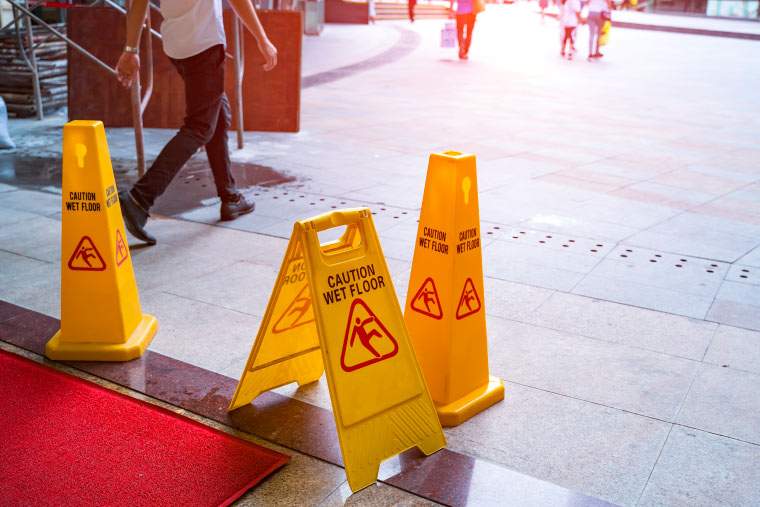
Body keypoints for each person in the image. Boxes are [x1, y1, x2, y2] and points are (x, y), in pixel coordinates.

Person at [116, 0, 278, 245]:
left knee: (217, 111)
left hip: (177, 45)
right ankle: (140, 198)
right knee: (199, 126)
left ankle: (230, 197)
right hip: (205, 44)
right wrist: (262, 38)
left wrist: (131, 49)